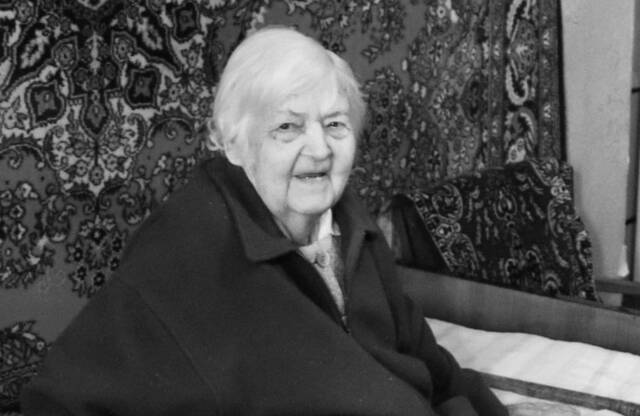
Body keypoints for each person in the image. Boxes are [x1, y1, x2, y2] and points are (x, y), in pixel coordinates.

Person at [21, 26, 508, 415]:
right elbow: (61, 400)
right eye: (287, 127)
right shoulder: (186, 251)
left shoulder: (350, 227)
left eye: (335, 124)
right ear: (234, 144)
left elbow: (429, 365)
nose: (319, 149)